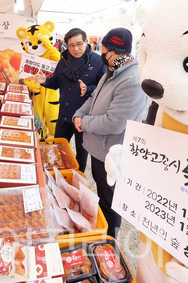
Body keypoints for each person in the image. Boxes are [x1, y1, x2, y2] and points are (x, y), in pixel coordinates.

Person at [73, 27, 150, 238]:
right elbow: (93, 98)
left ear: (116, 53)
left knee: (110, 203)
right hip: (99, 150)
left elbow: (115, 123)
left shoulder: (132, 81)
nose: (102, 56)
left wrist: (85, 123)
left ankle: (110, 244)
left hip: (112, 155)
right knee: (103, 196)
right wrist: (79, 115)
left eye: (104, 51)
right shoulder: (113, 72)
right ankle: (103, 238)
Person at [34, 28, 106, 172]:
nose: (76, 48)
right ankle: (57, 176)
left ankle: (78, 178)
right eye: (71, 45)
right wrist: (44, 81)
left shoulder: (98, 62)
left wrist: (88, 89)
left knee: (81, 154)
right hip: (64, 115)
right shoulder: (64, 60)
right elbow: (55, 83)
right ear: (67, 45)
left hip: (83, 118)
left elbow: (103, 89)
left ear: (86, 41)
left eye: (79, 43)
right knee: (56, 149)